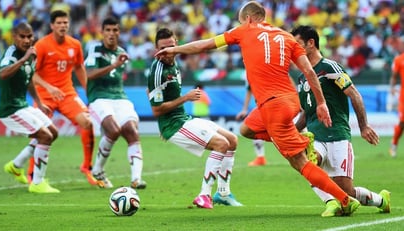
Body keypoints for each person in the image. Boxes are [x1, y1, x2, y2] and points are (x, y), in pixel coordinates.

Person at [154, 1, 361, 216]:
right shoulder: (287, 37)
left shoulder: (245, 30)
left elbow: (205, 45)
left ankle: (345, 199)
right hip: (289, 100)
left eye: (241, 21)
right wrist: (321, 103)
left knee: (299, 162)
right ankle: (300, 139)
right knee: (246, 129)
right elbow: (309, 71)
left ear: (249, 19)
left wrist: (175, 49)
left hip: (274, 105)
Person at [291, 25, 391, 217]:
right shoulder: (303, 77)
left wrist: (363, 127)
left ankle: (381, 200)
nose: (294, 50)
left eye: (298, 44)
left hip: (337, 134)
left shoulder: (329, 67)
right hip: (315, 136)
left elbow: (354, 94)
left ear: (311, 44)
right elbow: (307, 113)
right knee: (306, 163)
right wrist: (292, 131)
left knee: (347, 192)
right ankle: (330, 202)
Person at [148, 28, 242, 209]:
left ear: (176, 43)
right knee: (221, 144)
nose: (166, 53)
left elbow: (150, 92)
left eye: (170, 47)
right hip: (174, 124)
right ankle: (204, 195)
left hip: (183, 118)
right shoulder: (158, 70)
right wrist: (184, 99)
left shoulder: (174, 64)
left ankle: (223, 193)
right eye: (162, 48)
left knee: (232, 140)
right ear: (155, 48)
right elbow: (156, 109)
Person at [28, 10, 97, 186]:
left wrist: (90, 89)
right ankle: (31, 173)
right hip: (45, 95)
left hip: (67, 94)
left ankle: (87, 167)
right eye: (59, 23)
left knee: (87, 123)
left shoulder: (75, 45)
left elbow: (80, 68)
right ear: (52, 25)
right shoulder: (42, 45)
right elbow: (31, 74)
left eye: (65, 23)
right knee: (41, 132)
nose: (63, 26)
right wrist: (49, 88)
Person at [84, 17, 146, 189]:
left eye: (115, 30)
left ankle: (136, 179)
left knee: (132, 131)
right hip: (99, 97)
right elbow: (89, 74)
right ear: (102, 32)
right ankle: (98, 170)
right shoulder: (95, 48)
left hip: (120, 97)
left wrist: (118, 63)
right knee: (114, 130)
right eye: (108, 30)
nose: (111, 33)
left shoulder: (122, 51)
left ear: (119, 32)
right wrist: (114, 65)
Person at [0, 22, 59, 193]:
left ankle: (15, 165)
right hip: (10, 110)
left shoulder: (32, 53)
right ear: (14, 37)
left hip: (22, 105)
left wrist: (39, 102)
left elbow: (29, 78)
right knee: (45, 137)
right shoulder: (11, 54)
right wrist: (24, 58)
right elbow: (3, 74)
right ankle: (37, 183)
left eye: (29, 36)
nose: (27, 40)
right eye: (22, 36)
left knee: (53, 132)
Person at [235, 86, 267, 166]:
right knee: (253, 129)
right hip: (263, 105)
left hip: (275, 104)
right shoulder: (251, 75)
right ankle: (260, 158)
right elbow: (249, 90)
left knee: (293, 130)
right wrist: (244, 109)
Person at [389, 46, 404, 157]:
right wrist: (392, 87)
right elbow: (394, 76)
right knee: (402, 122)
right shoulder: (399, 59)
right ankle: (394, 144)